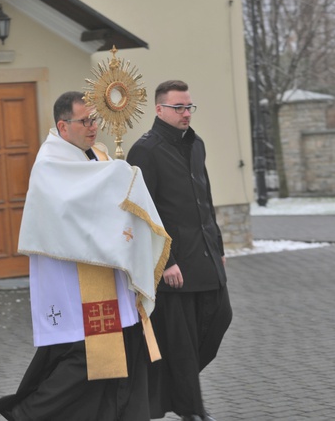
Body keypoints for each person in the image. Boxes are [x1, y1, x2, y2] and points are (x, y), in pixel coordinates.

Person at [0, 91, 171, 421]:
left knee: (117, 354)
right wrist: (117, 177)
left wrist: (115, 177)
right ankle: (27, 413)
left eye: (95, 119)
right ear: (63, 125)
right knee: (84, 359)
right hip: (72, 284)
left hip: (104, 275)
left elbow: (104, 206)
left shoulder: (95, 155)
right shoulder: (50, 163)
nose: (93, 126)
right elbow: (73, 208)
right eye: (85, 120)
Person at [126, 80, 232, 421]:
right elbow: (144, 212)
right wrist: (165, 262)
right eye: (178, 108)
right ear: (159, 110)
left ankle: (174, 387)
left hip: (205, 256)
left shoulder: (196, 144)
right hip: (175, 265)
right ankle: (191, 409)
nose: (186, 114)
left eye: (189, 107)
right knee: (183, 345)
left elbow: (207, 201)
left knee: (220, 318)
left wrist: (219, 248)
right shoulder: (145, 151)